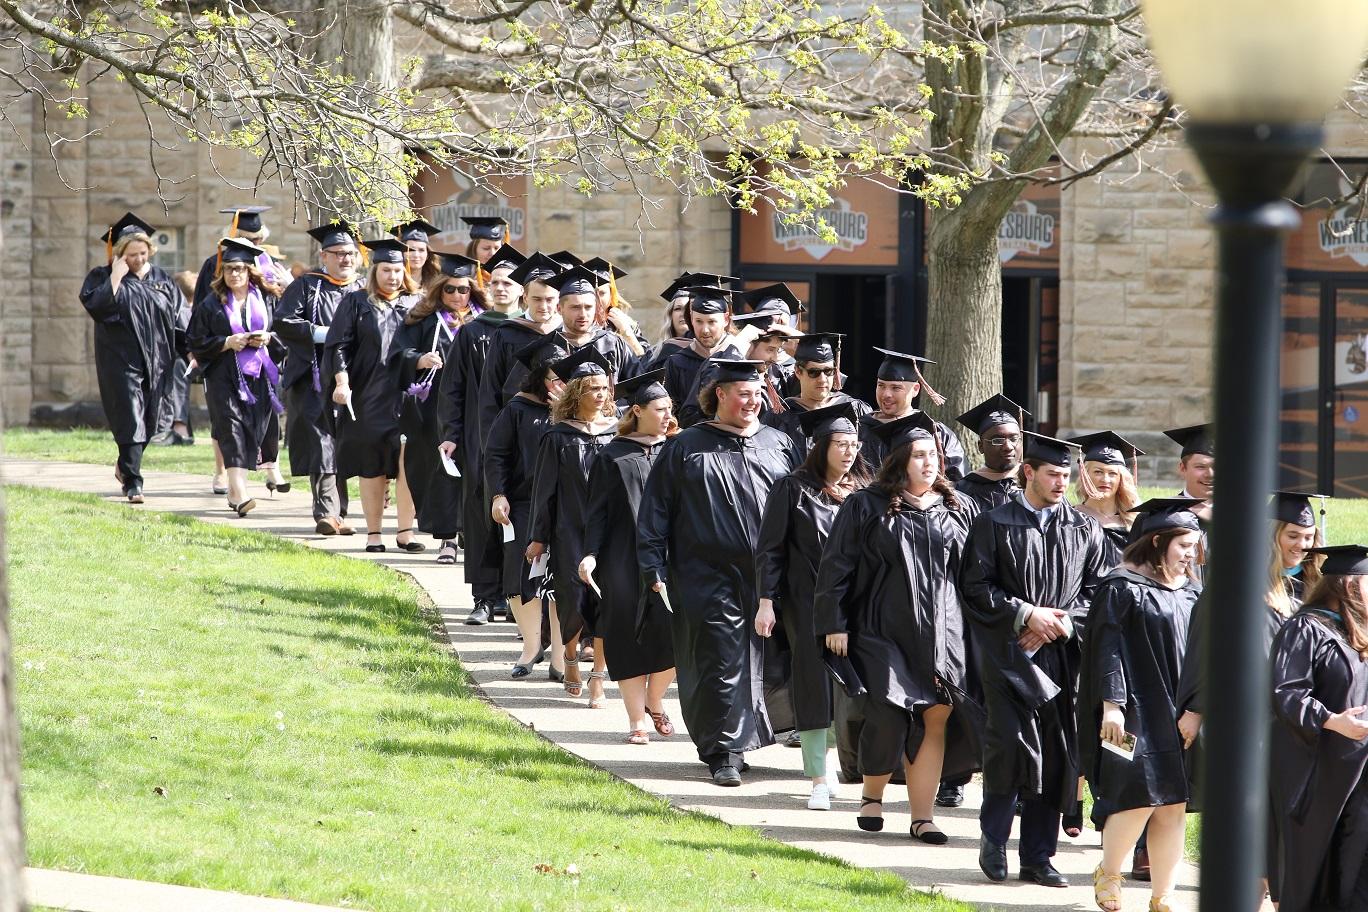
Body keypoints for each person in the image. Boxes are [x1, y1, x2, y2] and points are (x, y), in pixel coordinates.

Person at [814, 411, 982, 839]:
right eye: (919, 455)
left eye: (933, 455)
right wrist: (835, 621)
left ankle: (922, 817)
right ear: (899, 459)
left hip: (945, 632)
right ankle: (873, 794)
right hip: (881, 628)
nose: (929, 463)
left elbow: (976, 575)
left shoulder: (958, 508)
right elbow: (837, 567)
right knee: (889, 711)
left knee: (935, 715)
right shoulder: (865, 505)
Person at [637, 358, 802, 786]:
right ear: (720, 396)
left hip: (770, 575)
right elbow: (655, 510)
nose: (751, 401)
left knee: (770, 656)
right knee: (719, 658)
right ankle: (722, 750)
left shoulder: (779, 442)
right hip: (705, 573)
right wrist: (652, 563)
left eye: (757, 393)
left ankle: (752, 737)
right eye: (742, 393)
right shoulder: (687, 445)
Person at [960, 431, 1109, 888]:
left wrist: (1062, 623)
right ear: (1029, 472)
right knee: (1010, 747)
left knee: (1058, 755)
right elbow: (975, 586)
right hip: (1010, 657)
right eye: (1053, 474)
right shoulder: (994, 522)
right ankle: (994, 837)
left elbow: (1098, 591)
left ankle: (1039, 857)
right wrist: (1026, 613)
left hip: (1062, 658)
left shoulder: (1084, 527)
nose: (1062, 482)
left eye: (1067, 475)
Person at [1079, 498, 1203, 912]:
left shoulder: (1193, 592)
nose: (1191, 554)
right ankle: (1109, 873)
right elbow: (1107, 651)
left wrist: (1197, 710)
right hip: (1135, 706)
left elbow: (1208, 655)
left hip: (1182, 707)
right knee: (1139, 794)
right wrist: (1111, 705)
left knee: (1174, 802)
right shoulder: (1121, 587)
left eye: (1194, 545)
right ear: (1157, 541)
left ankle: (1162, 895)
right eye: (1184, 545)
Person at [756, 402, 873, 809]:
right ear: (821, 445)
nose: (848, 452)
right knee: (812, 684)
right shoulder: (792, 488)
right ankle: (818, 777)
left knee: (853, 687)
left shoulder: (864, 491)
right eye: (840, 443)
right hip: (805, 604)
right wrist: (766, 602)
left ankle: (846, 761)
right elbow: (770, 549)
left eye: (854, 444)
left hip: (856, 606)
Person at [578, 369, 678, 744]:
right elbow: (597, 511)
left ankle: (655, 699)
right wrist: (589, 554)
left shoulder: (678, 450)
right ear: (636, 410)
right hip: (621, 557)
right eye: (659, 409)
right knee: (624, 635)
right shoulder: (613, 455)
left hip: (671, 557)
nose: (667, 415)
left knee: (673, 634)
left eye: (669, 408)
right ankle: (637, 720)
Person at [1268, 546, 1368, 912]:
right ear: (1350, 585)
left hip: (1359, 771)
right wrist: (1332, 721)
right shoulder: (1305, 628)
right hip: (1317, 771)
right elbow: (1285, 691)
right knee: (1317, 867)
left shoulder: (1359, 632)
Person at [527, 345, 619, 702]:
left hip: (609, 532)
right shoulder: (559, 436)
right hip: (569, 529)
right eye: (591, 388)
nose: (599, 395)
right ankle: (568, 656)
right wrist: (538, 537)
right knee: (573, 600)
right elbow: (544, 491)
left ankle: (598, 674)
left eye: (603, 388)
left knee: (606, 600)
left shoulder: (616, 432)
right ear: (575, 393)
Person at [324, 238, 426, 554]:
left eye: (398, 270)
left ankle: (406, 531)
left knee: (408, 462)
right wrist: (342, 383)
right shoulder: (356, 302)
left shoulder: (417, 304)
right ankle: (374, 534)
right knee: (373, 465)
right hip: (369, 395)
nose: (393, 276)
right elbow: (337, 346)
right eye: (386, 270)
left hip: (408, 396)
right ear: (374, 270)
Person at [79, 212, 182, 504]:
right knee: (130, 417)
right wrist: (115, 276)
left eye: (143, 252)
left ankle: (125, 464)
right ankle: (134, 482)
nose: (138, 258)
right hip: (121, 361)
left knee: (150, 419)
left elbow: (178, 320)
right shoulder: (102, 277)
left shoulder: (161, 278)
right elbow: (97, 309)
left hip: (158, 361)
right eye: (132, 254)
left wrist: (194, 352)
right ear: (120, 253)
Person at [484, 338, 566, 679]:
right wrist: (497, 494)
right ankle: (532, 646)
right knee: (520, 574)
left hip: (565, 505)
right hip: (521, 504)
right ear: (538, 378)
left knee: (561, 579)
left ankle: (562, 655)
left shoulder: (579, 415)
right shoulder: (518, 410)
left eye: (565, 378)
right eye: (552, 378)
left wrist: (565, 413)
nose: (558, 385)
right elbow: (496, 455)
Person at [274, 221, 363, 535]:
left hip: (353, 380)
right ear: (324, 256)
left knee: (343, 445)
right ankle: (327, 512)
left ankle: (339, 514)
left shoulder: (362, 289)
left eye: (350, 253)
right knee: (322, 443)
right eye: (338, 254)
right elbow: (283, 321)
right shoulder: (307, 285)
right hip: (311, 377)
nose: (345, 259)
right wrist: (319, 332)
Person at [185, 238, 285, 516]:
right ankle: (240, 492)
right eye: (229, 269)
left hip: (259, 377)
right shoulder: (211, 304)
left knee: (253, 430)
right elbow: (195, 339)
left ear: (250, 270)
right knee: (231, 430)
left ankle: (234, 489)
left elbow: (285, 333)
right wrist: (226, 342)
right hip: (223, 377)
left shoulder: (266, 299)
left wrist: (268, 338)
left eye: (240, 268)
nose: (234, 274)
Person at [396, 253, 485, 559]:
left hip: (474, 408)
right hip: (432, 411)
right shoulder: (422, 320)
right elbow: (397, 354)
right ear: (439, 290)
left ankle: (466, 531)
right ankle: (447, 538)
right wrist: (418, 359)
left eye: (464, 290)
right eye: (450, 289)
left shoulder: (483, 321)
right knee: (440, 470)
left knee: (471, 469)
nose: (458, 296)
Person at [857, 348, 966, 480]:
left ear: (915, 389)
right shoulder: (859, 429)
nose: (886, 394)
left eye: (896, 388)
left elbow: (958, 484)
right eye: (881, 386)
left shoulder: (937, 433)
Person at [763, 333, 871, 452]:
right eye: (814, 372)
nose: (823, 379)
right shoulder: (780, 416)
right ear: (798, 371)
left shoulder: (855, 409)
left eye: (828, 371)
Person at [661, 285, 743, 429]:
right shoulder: (676, 361)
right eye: (699, 321)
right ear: (691, 319)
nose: (704, 330)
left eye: (711, 322)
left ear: (725, 319)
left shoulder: (740, 357)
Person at [1069, 431, 1144, 563]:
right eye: (1098, 472)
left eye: (1112, 473)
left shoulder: (1136, 521)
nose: (1105, 479)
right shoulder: (1072, 518)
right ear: (1085, 475)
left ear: (1121, 479)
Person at [954, 394, 1029, 512]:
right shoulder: (963, 490)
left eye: (1014, 439)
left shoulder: (1034, 483)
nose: (1008, 447)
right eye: (997, 440)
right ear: (981, 446)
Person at [1272, 491, 1327, 604]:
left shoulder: (1320, 580)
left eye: (1308, 538)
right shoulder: (1250, 577)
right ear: (1272, 535)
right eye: (1293, 536)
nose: (1302, 545)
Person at [1165, 423, 1214, 508]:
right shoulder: (1162, 516)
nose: (1210, 474)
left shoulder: (1241, 512)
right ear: (1183, 469)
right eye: (1201, 467)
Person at [392, 219, 442, 288]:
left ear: (427, 255)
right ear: (402, 252)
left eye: (421, 250)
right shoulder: (393, 284)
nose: (416, 255)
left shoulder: (435, 286)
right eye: (411, 250)